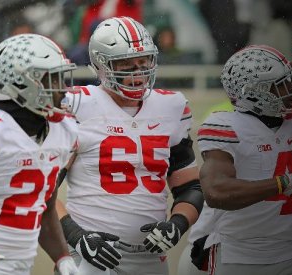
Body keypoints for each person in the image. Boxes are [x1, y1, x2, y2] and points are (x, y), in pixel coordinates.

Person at [55, 16, 204, 275]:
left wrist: (177, 224)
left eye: (143, 62)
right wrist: (76, 236)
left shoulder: (170, 107)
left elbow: (190, 185)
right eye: (125, 65)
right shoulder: (78, 105)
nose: (138, 73)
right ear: (101, 66)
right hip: (89, 255)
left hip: (149, 258)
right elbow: (43, 190)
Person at [197, 44, 292, 275]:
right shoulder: (227, 126)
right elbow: (216, 192)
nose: (291, 89)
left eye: (289, 81)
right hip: (237, 253)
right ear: (254, 93)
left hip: (288, 252)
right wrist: (282, 184)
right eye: (280, 85)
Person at [0, 34, 79, 275]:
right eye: (52, 79)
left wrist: (62, 258)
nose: (62, 90)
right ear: (21, 83)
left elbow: (45, 205)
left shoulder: (63, 131)